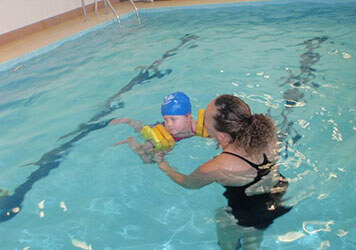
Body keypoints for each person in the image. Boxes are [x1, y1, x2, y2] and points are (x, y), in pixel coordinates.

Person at [156, 94, 292, 249]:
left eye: (205, 119)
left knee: (222, 217)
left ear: (221, 135)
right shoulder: (266, 132)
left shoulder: (218, 167)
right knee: (254, 235)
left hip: (244, 217)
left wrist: (163, 165)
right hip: (275, 199)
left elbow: (189, 183)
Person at [110, 92, 198, 163]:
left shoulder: (198, 127)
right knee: (146, 158)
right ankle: (130, 140)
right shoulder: (167, 130)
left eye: (173, 119)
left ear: (188, 117)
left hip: (170, 136)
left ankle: (134, 123)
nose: (169, 124)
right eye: (165, 119)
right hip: (158, 131)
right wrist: (157, 154)